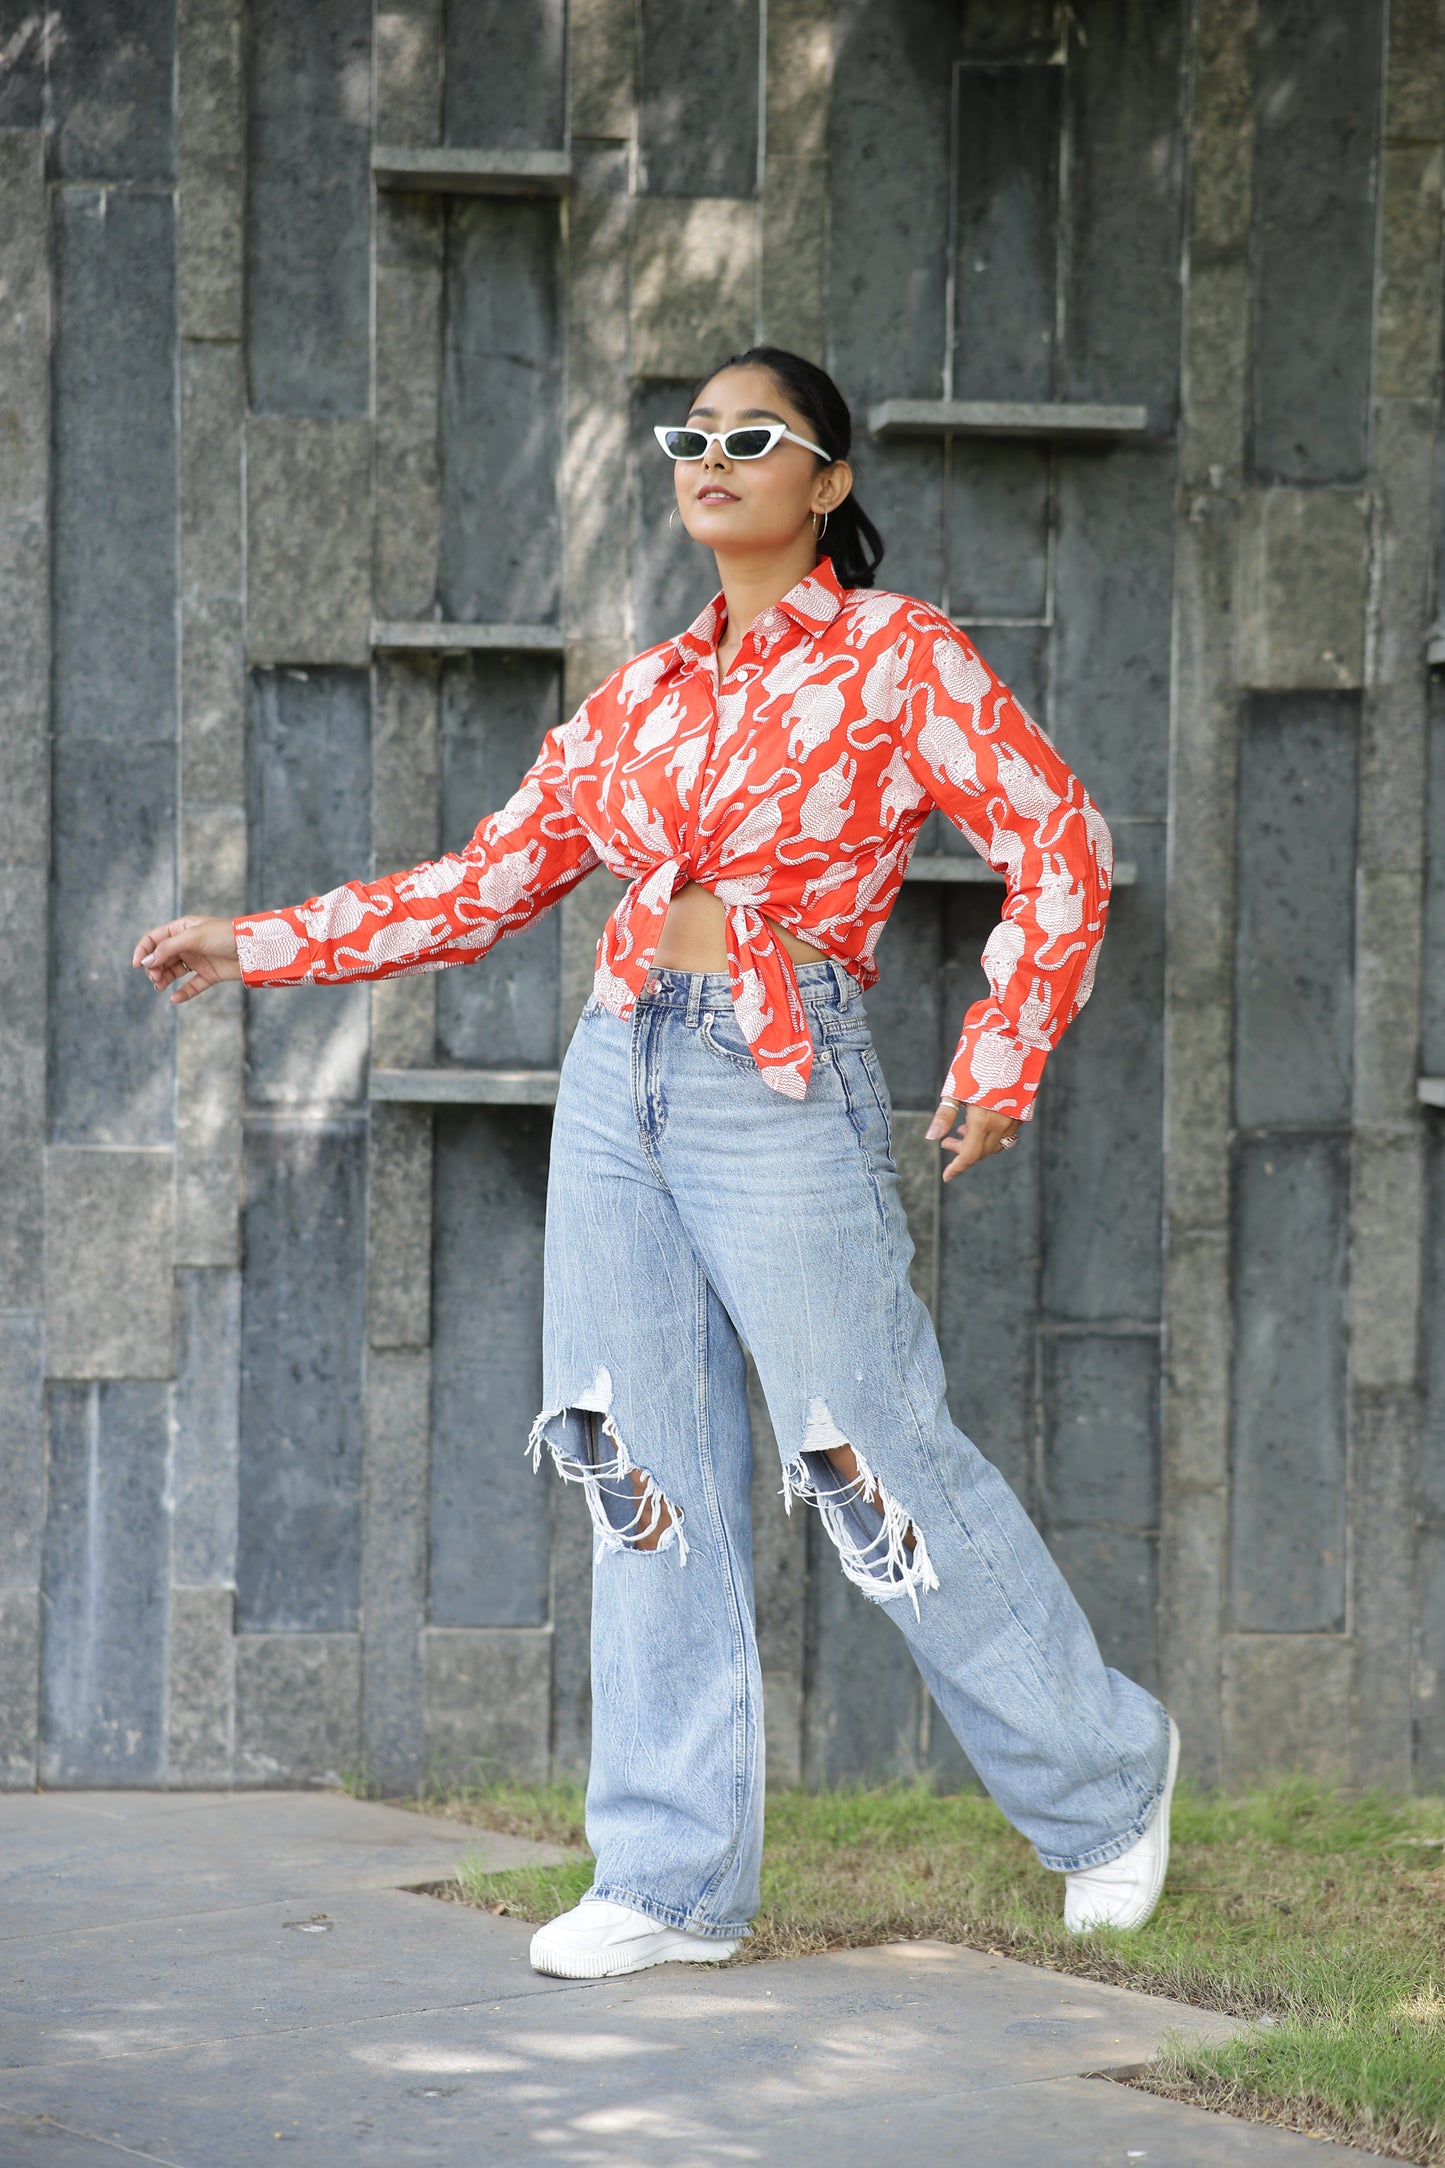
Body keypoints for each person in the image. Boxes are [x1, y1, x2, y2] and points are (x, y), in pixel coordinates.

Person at [135, 344, 1179, 1980]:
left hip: (783, 1072)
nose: (709, 456)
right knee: (632, 1465)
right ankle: (670, 1876)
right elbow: (480, 885)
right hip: (618, 1073)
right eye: (688, 435)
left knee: (867, 1459)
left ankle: (1104, 1785)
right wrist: (255, 944)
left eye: (750, 436)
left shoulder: (899, 657)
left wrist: (1000, 1053)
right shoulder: (637, 697)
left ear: (825, 478)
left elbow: (1055, 839)